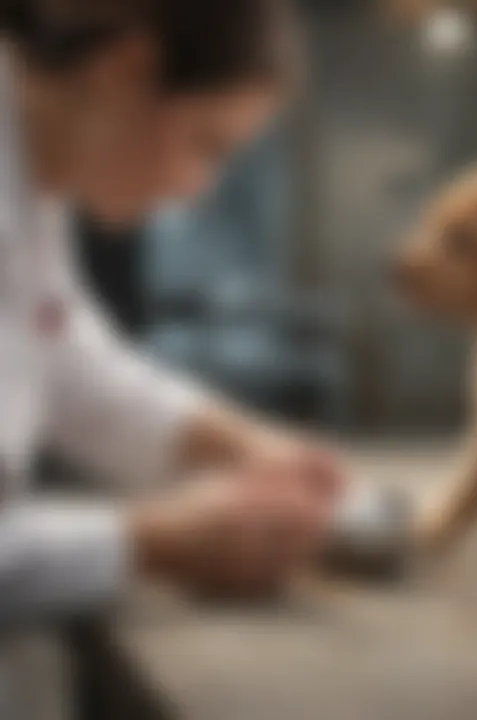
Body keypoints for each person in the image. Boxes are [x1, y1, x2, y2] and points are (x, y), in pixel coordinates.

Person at [0, 0, 345, 651]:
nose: (197, 188)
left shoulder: (34, 184)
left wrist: (242, 445)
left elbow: (68, 358)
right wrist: (149, 543)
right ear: (127, 71)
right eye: (204, 144)